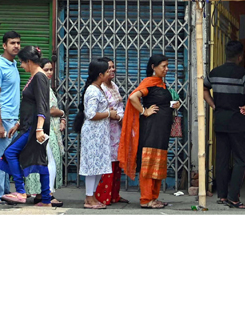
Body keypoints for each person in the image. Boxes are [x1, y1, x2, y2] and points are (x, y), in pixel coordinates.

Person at [203, 41, 245, 210]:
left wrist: (213, 105)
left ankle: (222, 196)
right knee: (241, 160)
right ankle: (233, 198)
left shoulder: (215, 72)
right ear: (240, 56)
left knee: (221, 159)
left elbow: (204, 89)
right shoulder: (244, 74)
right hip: (238, 122)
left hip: (220, 120)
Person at [0, 46, 53, 207]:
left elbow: (42, 105)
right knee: (40, 160)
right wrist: (19, 123)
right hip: (30, 125)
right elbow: (31, 105)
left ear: (29, 61)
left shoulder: (39, 77)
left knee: (10, 152)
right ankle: (46, 200)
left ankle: (20, 191)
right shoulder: (36, 76)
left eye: (22, 62)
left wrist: (39, 129)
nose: (21, 65)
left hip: (35, 127)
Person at [121, 54, 179, 209]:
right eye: (163, 66)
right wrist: (144, 111)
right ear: (154, 67)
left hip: (162, 130)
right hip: (151, 129)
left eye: (167, 66)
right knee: (148, 163)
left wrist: (173, 105)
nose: (167, 69)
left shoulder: (161, 84)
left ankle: (154, 197)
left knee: (158, 162)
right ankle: (146, 199)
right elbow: (133, 97)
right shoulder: (149, 83)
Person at [74, 59, 116, 209]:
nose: (110, 73)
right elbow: (91, 114)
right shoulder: (92, 90)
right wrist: (109, 113)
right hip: (93, 134)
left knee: (99, 167)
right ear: (100, 74)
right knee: (92, 167)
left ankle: (92, 197)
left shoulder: (99, 89)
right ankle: (89, 198)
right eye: (107, 71)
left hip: (100, 133)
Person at [0, 31, 21, 205]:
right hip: (3, 118)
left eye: (18, 43)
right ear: (4, 45)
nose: (16, 46)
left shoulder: (13, 64)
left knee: (7, 158)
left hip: (12, 119)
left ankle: (4, 194)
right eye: (12, 43)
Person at [25, 59, 64, 204]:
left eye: (51, 69)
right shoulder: (40, 85)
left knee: (47, 160)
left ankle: (42, 194)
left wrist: (62, 116)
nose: (49, 73)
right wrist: (60, 112)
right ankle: (48, 195)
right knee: (50, 160)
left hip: (46, 128)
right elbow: (47, 109)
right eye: (46, 69)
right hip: (44, 129)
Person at [96, 57, 129, 206]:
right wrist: (111, 113)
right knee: (106, 164)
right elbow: (96, 109)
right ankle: (103, 196)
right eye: (108, 68)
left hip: (117, 128)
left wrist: (121, 117)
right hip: (105, 129)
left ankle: (114, 194)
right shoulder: (99, 88)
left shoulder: (114, 85)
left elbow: (120, 105)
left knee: (116, 163)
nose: (112, 70)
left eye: (113, 67)